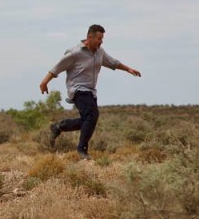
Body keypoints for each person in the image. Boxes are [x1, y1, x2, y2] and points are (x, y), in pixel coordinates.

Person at [39, 24, 141, 160]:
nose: (101, 41)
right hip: (77, 90)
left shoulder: (100, 52)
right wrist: (44, 82)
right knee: (92, 116)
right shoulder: (75, 53)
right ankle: (82, 150)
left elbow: (113, 62)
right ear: (90, 37)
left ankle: (58, 126)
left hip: (91, 91)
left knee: (88, 120)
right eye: (99, 39)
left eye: (102, 39)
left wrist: (128, 69)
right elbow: (57, 68)